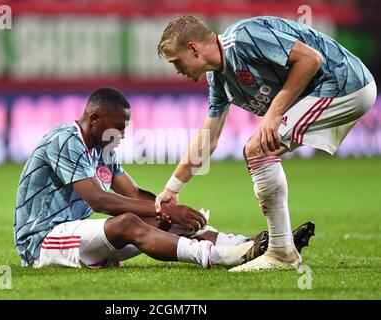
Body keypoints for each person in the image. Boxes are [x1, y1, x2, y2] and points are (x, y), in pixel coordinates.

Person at [156, 15, 376, 271]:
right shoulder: (218, 79)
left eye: (176, 61)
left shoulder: (242, 38)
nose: (176, 69)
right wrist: (171, 189)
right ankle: (282, 251)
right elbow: (209, 138)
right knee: (259, 150)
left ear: (193, 48)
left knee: (257, 148)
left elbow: (310, 60)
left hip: (343, 84)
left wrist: (274, 114)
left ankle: (281, 253)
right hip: (337, 89)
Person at [13, 86, 314, 269]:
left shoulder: (102, 148)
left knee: (163, 221)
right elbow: (99, 199)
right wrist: (163, 208)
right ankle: (218, 257)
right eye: (118, 126)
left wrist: (169, 213)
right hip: (42, 241)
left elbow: (134, 195)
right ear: (94, 119)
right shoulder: (65, 140)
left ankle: (252, 245)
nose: (122, 134)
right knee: (131, 222)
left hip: (76, 239)